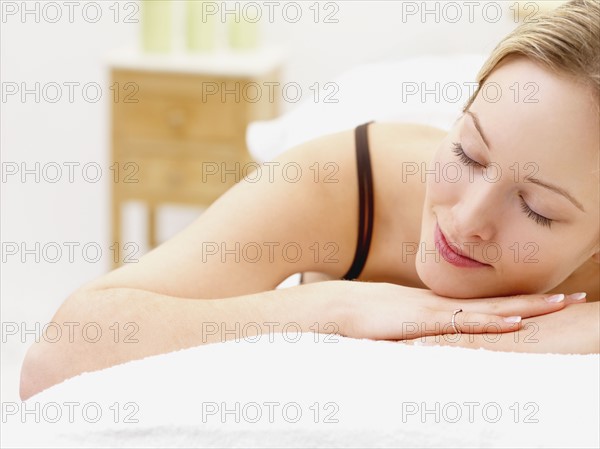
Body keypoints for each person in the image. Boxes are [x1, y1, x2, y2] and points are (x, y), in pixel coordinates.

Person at [20, 0, 599, 400]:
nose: (467, 218)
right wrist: (335, 312)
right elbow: (54, 360)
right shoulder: (347, 181)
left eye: (536, 208)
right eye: (469, 153)